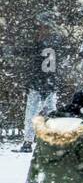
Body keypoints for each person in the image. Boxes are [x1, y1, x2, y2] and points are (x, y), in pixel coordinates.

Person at [16, 12, 70, 153]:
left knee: (32, 114)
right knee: (51, 113)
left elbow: (31, 60)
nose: (39, 29)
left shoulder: (40, 44)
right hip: (51, 84)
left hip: (38, 84)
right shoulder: (57, 44)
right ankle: (56, 142)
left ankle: (28, 142)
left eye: (41, 27)